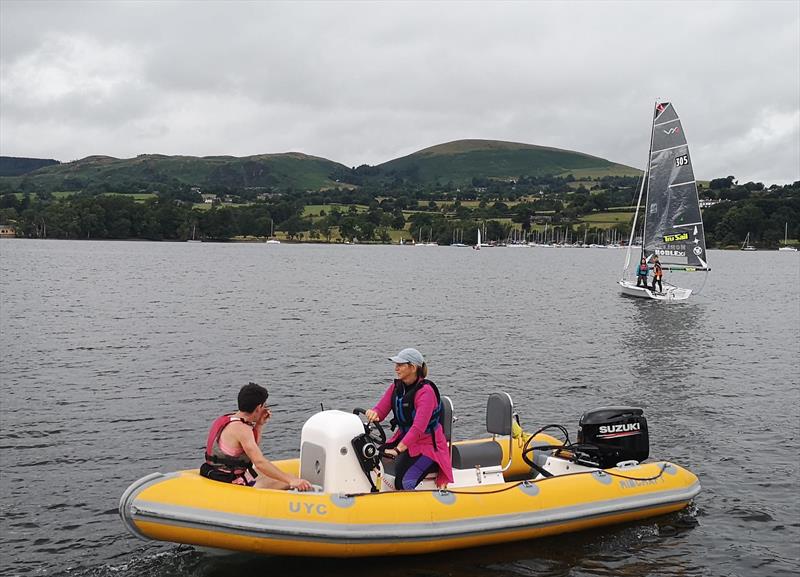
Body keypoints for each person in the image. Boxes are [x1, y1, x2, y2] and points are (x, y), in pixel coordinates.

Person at [365, 348, 454, 490]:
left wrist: (397, 450)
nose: (396, 368)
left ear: (412, 368)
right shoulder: (396, 387)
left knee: (404, 483)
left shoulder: (426, 392)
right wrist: (374, 413)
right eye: (396, 365)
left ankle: (420, 509)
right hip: (406, 442)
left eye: (400, 365)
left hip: (428, 447)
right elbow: (381, 411)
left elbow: (418, 428)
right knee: (370, 460)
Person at [201, 382, 312, 491]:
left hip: (217, 472)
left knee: (285, 476)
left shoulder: (229, 419)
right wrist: (291, 481)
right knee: (290, 479)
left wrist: (259, 424)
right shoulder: (242, 429)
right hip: (229, 480)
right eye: (264, 405)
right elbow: (259, 462)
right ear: (259, 407)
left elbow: (250, 450)